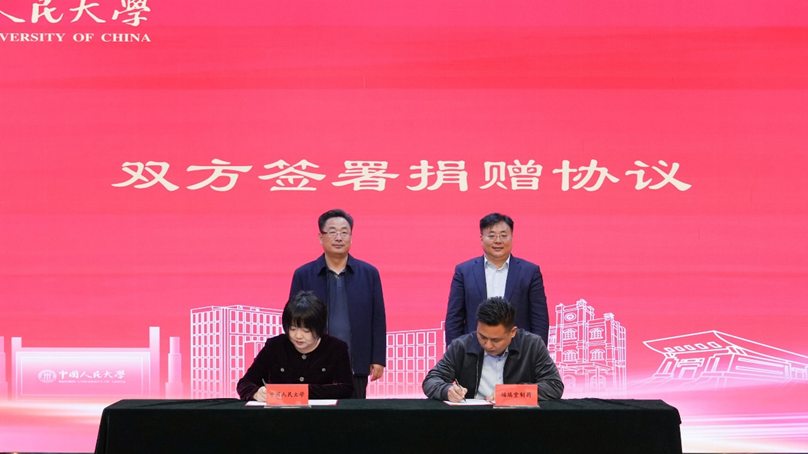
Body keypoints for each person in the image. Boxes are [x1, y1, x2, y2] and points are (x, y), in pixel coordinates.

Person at [289, 209, 386, 399]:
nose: (339, 238)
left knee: (354, 413)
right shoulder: (304, 274)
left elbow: (378, 319)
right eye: (332, 232)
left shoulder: (369, 273)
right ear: (321, 237)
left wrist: (378, 358)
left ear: (351, 236)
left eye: (344, 232)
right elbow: (293, 320)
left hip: (355, 362)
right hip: (313, 362)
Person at [424, 296, 563, 402]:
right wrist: (447, 390)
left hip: (518, 417)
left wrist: (510, 393)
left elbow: (554, 386)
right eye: (482, 336)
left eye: (496, 340)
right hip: (472, 417)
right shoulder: (461, 346)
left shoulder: (532, 345)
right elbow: (431, 380)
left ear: (513, 332)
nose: (488, 345)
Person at [445, 213, 549, 348]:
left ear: (512, 238)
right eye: (492, 235)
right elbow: (454, 318)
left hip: (518, 351)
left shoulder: (529, 272)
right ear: (481, 239)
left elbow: (539, 319)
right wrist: (455, 353)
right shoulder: (464, 272)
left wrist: (537, 353)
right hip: (474, 351)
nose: (498, 241)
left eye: (504, 235)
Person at [237, 291, 354, 400]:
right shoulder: (274, 346)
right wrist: (256, 393)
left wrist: (298, 392)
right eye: (292, 329)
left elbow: (346, 389)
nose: (298, 336)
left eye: (306, 330)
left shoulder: (336, 348)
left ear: (319, 327)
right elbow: (244, 383)